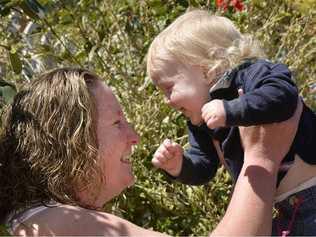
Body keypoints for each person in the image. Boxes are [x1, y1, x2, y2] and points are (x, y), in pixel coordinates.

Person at [0, 68, 301, 236]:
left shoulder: (35, 220)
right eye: (118, 122)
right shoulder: (52, 224)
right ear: (71, 139)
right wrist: (261, 158)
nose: (135, 137)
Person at [146, 9, 316, 236]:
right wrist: (180, 166)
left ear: (205, 70)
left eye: (169, 89)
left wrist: (231, 109)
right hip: (283, 209)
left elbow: (283, 96)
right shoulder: (200, 120)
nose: (166, 101)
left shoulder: (252, 73)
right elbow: (205, 165)